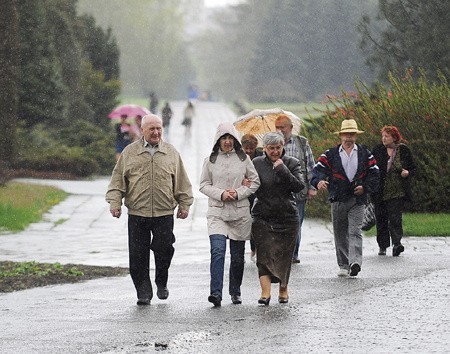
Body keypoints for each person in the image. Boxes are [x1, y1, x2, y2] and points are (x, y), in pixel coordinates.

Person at [106, 114, 194, 306]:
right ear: (142, 130)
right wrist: (115, 203)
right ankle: (143, 291)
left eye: (159, 129)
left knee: (164, 249)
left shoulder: (171, 153)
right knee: (137, 255)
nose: (156, 132)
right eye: (151, 129)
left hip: (164, 212)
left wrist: (184, 204)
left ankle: (161, 281)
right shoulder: (130, 152)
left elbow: (182, 182)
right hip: (138, 212)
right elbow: (117, 181)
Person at [199, 122, 260, 307]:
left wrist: (239, 192)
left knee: (237, 257)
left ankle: (235, 291)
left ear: (235, 140)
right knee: (217, 251)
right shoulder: (210, 160)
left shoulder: (244, 159)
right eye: (224, 138)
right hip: (217, 212)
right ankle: (215, 293)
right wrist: (221, 194)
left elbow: (255, 181)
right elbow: (203, 185)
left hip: (239, 213)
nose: (227, 142)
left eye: (230, 138)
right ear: (218, 140)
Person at [311, 119, 379, 277]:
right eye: (346, 134)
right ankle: (343, 264)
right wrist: (319, 181)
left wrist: (366, 188)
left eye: (352, 134)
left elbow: (375, 173)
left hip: (357, 200)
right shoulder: (330, 154)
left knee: (355, 231)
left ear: (356, 136)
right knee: (340, 232)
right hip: (338, 198)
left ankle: (355, 262)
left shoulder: (365, 153)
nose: (349, 137)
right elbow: (317, 171)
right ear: (340, 136)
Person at [251, 132, 304, 305]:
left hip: (287, 216)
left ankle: (283, 288)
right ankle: (265, 293)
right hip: (263, 216)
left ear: (283, 147)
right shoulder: (256, 163)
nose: (275, 151)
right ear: (264, 148)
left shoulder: (292, 163)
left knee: (283, 256)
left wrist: (283, 170)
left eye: (278, 148)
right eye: (271, 148)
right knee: (264, 255)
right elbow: (252, 186)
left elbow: (298, 186)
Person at [275, 114, 317, 264]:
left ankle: (293, 254)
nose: (280, 130)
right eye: (277, 127)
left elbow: (311, 166)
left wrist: (312, 187)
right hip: (277, 192)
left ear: (291, 128)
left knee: (296, 223)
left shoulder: (302, 142)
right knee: (279, 222)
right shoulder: (272, 145)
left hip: (298, 191)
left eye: (283, 127)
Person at [371, 126, 416, 256]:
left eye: (387, 136)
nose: (384, 139)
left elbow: (413, 168)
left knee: (395, 218)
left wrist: (408, 173)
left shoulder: (403, 150)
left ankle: (397, 244)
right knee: (381, 219)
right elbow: (370, 168)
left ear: (394, 137)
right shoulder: (377, 150)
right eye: (383, 136)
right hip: (379, 191)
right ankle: (383, 246)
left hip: (397, 191)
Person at [240, 134, 263, 262]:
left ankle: (255, 249)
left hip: (256, 192)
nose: (248, 151)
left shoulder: (261, 156)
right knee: (243, 223)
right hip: (242, 193)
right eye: (246, 149)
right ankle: (240, 251)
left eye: (251, 149)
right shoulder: (237, 157)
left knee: (255, 223)